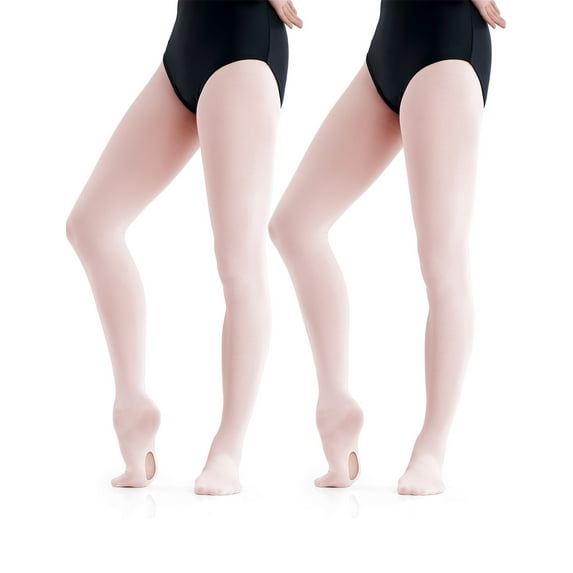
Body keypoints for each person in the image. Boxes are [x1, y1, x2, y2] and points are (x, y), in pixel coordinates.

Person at [269, 0, 506, 495]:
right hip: (388, 49)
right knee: (294, 226)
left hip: (447, 47)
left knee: (441, 261)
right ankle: (337, 405)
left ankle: (431, 448)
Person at [66, 0, 302, 495]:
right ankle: (133, 406)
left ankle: (228, 448)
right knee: (91, 226)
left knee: (238, 261)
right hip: (186, 45)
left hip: (243, 46)